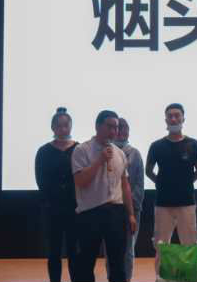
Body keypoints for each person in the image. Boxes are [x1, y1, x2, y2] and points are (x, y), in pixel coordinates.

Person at [71, 110, 137, 282]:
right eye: (110, 126)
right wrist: (100, 160)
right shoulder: (82, 150)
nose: (114, 131)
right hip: (90, 213)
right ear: (97, 126)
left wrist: (130, 214)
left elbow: (125, 185)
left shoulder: (119, 153)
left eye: (116, 127)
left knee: (118, 264)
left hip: (116, 212)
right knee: (85, 263)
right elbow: (80, 181)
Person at [146, 103, 197, 275]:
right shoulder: (156, 146)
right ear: (165, 119)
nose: (173, 119)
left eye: (177, 115)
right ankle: (161, 278)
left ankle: (188, 278)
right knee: (161, 246)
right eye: (170, 116)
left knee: (190, 245)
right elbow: (148, 171)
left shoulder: (193, 144)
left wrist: (185, 183)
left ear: (183, 118)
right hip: (163, 204)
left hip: (187, 202)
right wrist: (161, 183)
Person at [34, 107, 79, 282]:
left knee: (74, 251)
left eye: (66, 125)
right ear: (53, 127)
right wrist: (50, 202)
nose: (63, 129)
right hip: (52, 209)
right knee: (54, 252)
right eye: (59, 126)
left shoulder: (79, 149)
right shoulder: (44, 151)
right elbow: (41, 180)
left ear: (71, 126)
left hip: (75, 209)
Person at [104, 117, 145, 282]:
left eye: (125, 128)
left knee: (128, 250)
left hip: (131, 210)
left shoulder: (135, 153)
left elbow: (139, 184)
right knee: (110, 250)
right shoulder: (106, 152)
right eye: (118, 128)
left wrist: (131, 208)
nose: (122, 131)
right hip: (110, 208)